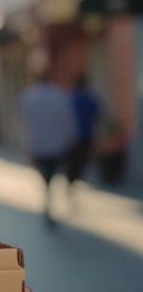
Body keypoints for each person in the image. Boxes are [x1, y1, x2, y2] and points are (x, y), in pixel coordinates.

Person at [19, 71, 77, 229]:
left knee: (46, 177)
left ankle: (48, 201)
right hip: (57, 145)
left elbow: (25, 124)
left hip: (39, 146)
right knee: (51, 176)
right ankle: (49, 201)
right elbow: (69, 121)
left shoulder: (29, 97)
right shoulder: (61, 96)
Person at [66, 73, 101, 187]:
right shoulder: (90, 98)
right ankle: (77, 179)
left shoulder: (72, 99)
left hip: (73, 136)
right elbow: (98, 114)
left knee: (74, 160)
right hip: (87, 134)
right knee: (83, 159)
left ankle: (73, 179)